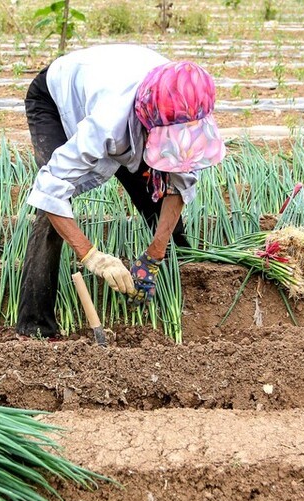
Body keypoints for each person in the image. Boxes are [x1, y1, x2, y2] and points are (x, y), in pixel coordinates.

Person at [17, 44, 225, 339]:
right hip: (55, 98)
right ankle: (35, 327)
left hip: (125, 98)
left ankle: (180, 299)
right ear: (148, 123)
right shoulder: (108, 122)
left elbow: (179, 183)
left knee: (158, 193)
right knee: (51, 214)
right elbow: (51, 190)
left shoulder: (186, 105)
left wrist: (154, 254)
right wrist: (91, 256)